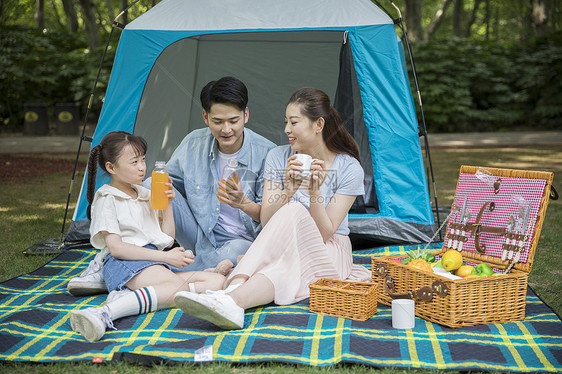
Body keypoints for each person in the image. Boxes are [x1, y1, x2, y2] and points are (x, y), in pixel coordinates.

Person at [173, 87, 371, 330]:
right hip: (285, 243)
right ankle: (232, 301)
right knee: (280, 267)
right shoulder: (278, 157)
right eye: (286, 121)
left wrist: (313, 191)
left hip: (328, 249)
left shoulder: (349, 169)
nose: (286, 129)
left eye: (294, 122)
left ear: (318, 124)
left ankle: (229, 294)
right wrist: (288, 189)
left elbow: (326, 233)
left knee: (295, 213)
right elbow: (267, 222)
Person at [67, 76, 275, 295]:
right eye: (218, 121)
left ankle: (137, 271)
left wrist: (244, 203)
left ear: (246, 115)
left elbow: (272, 220)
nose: (226, 129)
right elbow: (169, 184)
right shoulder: (194, 143)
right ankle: (141, 263)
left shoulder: (266, 153)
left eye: (233, 121)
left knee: (241, 250)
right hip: (199, 234)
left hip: (239, 241)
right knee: (150, 185)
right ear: (205, 117)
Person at [69, 131, 225, 342]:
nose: (142, 167)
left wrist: (168, 205)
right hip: (125, 263)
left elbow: (167, 239)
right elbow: (117, 248)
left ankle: (130, 296)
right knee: (176, 287)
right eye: (134, 162)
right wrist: (167, 258)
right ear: (111, 168)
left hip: (152, 261)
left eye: (142, 159)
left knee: (217, 281)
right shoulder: (108, 199)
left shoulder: (144, 194)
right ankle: (105, 312)